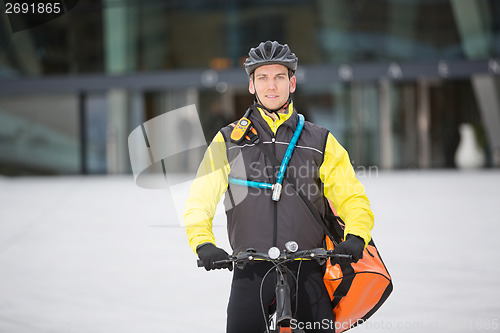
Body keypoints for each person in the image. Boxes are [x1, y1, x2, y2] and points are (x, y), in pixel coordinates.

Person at [184, 41, 374, 333]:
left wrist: (356, 236)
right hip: (250, 273)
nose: (271, 86)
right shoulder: (228, 140)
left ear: (292, 82)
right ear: (251, 85)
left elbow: (352, 197)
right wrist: (204, 243)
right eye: (262, 77)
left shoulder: (320, 140)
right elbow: (200, 200)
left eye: (279, 77)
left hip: (308, 269)